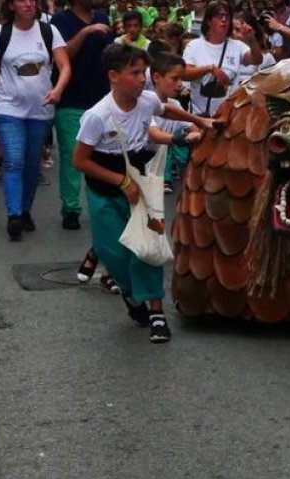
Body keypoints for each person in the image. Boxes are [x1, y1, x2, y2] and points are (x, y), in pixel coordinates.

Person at [72, 44, 209, 343]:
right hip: (105, 191)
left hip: (142, 183)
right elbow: (80, 161)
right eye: (134, 73)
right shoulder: (97, 116)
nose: (141, 79)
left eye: (142, 72)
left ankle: (157, 314)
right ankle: (132, 295)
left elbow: (167, 107)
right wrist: (121, 183)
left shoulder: (146, 101)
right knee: (113, 252)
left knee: (149, 246)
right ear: (113, 76)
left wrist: (198, 121)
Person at [0, 0, 72, 240]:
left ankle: (25, 210)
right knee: (13, 160)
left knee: (30, 165)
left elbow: (64, 65)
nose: (28, 4)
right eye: (22, 0)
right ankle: (14, 215)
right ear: (12, 5)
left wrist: (57, 89)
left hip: (41, 110)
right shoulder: (0, 33)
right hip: (8, 108)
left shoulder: (49, 31)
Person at [51, 0, 116, 231]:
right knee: (72, 156)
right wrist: (86, 31)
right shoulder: (60, 20)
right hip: (71, 101)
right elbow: (63, 54)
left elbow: (111, 56)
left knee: (103, 157)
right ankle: (71, 209)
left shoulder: (102, 17)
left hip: (102, 101)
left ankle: (104, 205)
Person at [183, 0, 262, 117]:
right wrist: (210, 69)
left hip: (228, 118)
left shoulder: (237, 46)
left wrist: (252, 39)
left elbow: (256, 59)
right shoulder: (194, 46)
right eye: (219, 16)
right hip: (200, 117)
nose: (224, 20)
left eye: (227, 16)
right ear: (209, 21)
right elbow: (185, 73)